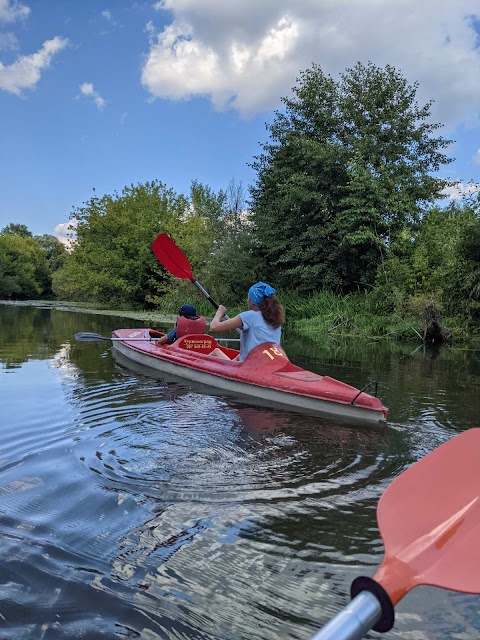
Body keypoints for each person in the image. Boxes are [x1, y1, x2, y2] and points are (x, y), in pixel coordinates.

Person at [209, 282, 284, 361]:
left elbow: (213, 328)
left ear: (252, 301)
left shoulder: (250, 316)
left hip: (249, 368)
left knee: (216, 352)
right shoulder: (276, 320)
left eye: (248, 298)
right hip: (267, 364)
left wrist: (219, 313)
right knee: (225, 354)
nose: (247, 301)